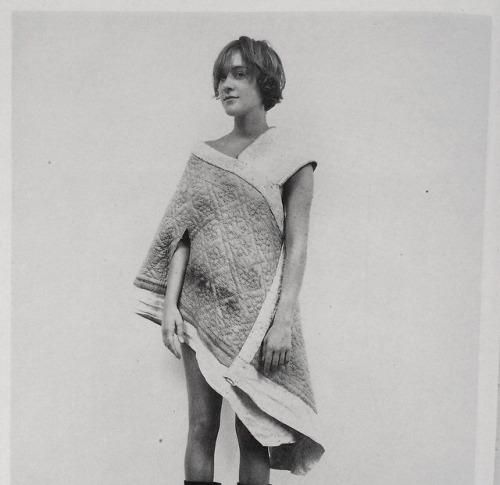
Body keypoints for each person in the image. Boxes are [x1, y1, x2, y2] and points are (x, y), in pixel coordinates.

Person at [133, 36, 325, 485]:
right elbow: (182, 236)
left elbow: (297, 246)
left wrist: (283, 322)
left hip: (259, 319)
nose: (226, 85)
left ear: (265, 81)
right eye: (222, 76)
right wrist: (169, 307)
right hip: (199, 311)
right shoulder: (205, 156)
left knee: (254, 434)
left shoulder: (294, 160)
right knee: (201, 427)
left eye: (239, 74)